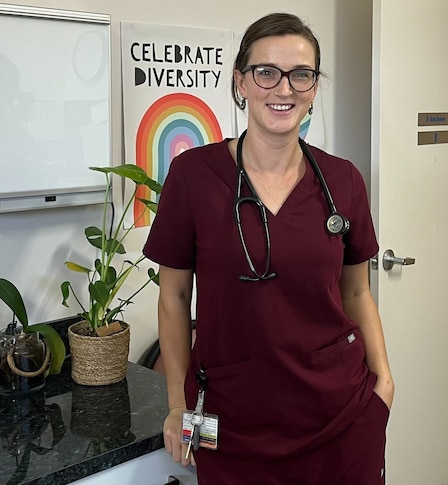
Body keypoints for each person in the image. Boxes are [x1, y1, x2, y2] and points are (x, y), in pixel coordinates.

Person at [143, 12, 393, 484]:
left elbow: (357, 292)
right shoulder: (194, 176)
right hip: (230, 421)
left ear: (315, 87)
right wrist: (178, 406)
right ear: (240, 82)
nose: (284, 89)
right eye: (266, 72)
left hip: (341, 415)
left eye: (301, 74)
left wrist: (384, 381)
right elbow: (173, 296)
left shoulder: (343, 180)